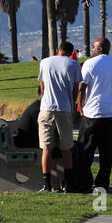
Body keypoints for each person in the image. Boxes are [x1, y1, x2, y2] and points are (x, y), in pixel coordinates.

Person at [73, 37, 112, 191]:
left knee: (85, 151)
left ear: (100, 49)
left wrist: (80, 106)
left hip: (93, 114)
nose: (91, 49)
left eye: (93, 47)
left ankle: (84, 182)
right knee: (107, 152)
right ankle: (102, 183)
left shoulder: (90, 64)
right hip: (111, 114)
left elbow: (82, 87)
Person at [37, 40, 82, 192]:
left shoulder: (44, 62)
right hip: (65, 109)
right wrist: (72, 103)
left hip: (46, 109)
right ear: (71, 53)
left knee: (46, 149)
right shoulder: (74, 65)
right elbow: (76, 89)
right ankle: (68, 184)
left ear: (58, 50)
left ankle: (46, 184)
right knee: (66, 149)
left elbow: (42, 86)